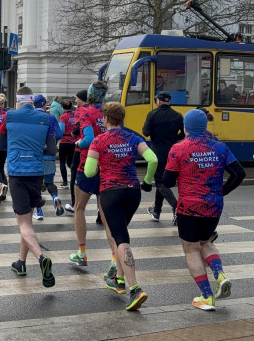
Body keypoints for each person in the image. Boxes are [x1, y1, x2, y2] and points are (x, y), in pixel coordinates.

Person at [163, 109, 246, 311]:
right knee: (205, 242)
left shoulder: (178, 148)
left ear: (186, 127)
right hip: (214, 206)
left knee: (191, 249)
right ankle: (220, 275)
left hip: (188, 207)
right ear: (205, 126)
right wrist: (221, 191)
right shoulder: (220, 147)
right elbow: (239, 173)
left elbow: (167, 181)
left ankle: (207, 296)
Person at [85, 101, 158, 311]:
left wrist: (100, 168)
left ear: (105, 119)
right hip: (133, 192)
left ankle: (134, 288)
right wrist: (146, 181)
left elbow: (89, 172)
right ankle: (117, 279)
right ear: (122, 119)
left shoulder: (99, 141)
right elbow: (152, 159)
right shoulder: (133, 138)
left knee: (122, 239)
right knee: (119, 235)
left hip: (111, 193)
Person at [0, 86, 56, 287]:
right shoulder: (46, 119)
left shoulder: (9, 116)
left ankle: (41, 258)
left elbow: (0, 144)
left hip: (17, 172)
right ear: (32, 100)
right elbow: (52, 149)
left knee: (23, 224)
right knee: (27, 219)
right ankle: (21, 263)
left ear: (17, 99)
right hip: (36, 172)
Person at [68, 81, 110, 268]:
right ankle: (115, 260)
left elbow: (89, 139)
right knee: (107, 213)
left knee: (79, 208)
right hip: (108, 166)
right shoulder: (110, 112)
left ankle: (82, 253)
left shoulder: (86, 112)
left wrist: (78, 144)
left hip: (88, 164)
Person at [142, 91, 184, 224]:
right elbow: (182, 134)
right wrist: (172, 138)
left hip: (157, 154)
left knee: (160, 183)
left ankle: (176, 207)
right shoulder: (177, 116)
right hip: (172, 154)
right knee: (162, 183)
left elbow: (146, 132)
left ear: (158, 101)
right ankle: (156, 211)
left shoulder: (152, 114)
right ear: (169, 101)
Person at [32, 94, 63, 219]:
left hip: (35, 156)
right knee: (49, 182)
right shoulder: (51, 118)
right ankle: (55, 197)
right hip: (49, 156)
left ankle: (39, 211)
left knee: (36, 185)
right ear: (44, 105)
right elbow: (59, 133)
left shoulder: (31, 117)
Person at [65, 90, 88, 214]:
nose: (75, 100)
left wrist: (74, 133)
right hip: (97, 148)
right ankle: (100, 210)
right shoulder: (97, 110)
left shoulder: (81, 111)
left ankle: (75, 203)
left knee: (75, 174)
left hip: (81, 148)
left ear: (81, 99)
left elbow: (79, 125)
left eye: (77, 98)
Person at [58, 99, 76, 189]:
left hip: (64, 141)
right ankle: (75, 177)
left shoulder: (63, 116)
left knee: (62, 162)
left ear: (63, 107)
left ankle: (65, 182)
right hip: (73, 141)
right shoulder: (75, 115)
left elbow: (61, 129)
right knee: (71, 162)